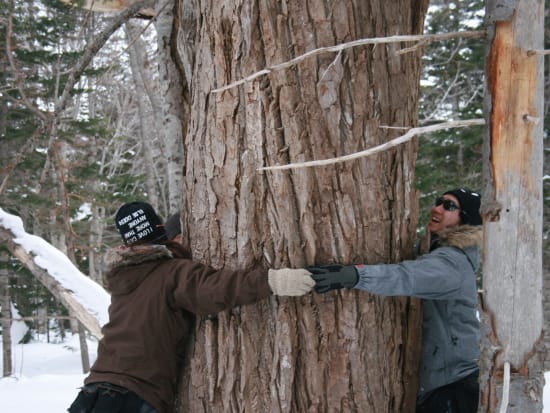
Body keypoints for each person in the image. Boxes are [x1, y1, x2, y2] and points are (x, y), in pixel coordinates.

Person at [68, 202, 314, 413]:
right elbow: (217, 288)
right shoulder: (171, 272)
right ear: (160, 231)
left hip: (94, 389)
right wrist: (273, 281)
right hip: (135, 394)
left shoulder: (124, 280)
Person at [308, 188, 483, 413]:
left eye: (449, 206)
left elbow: (405, 276)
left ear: (464, 221)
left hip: (453, 389)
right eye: (438, 201)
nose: (436, 208)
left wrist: (354, 275)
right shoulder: (441, 255)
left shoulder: (452, 263)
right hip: (444, 384)